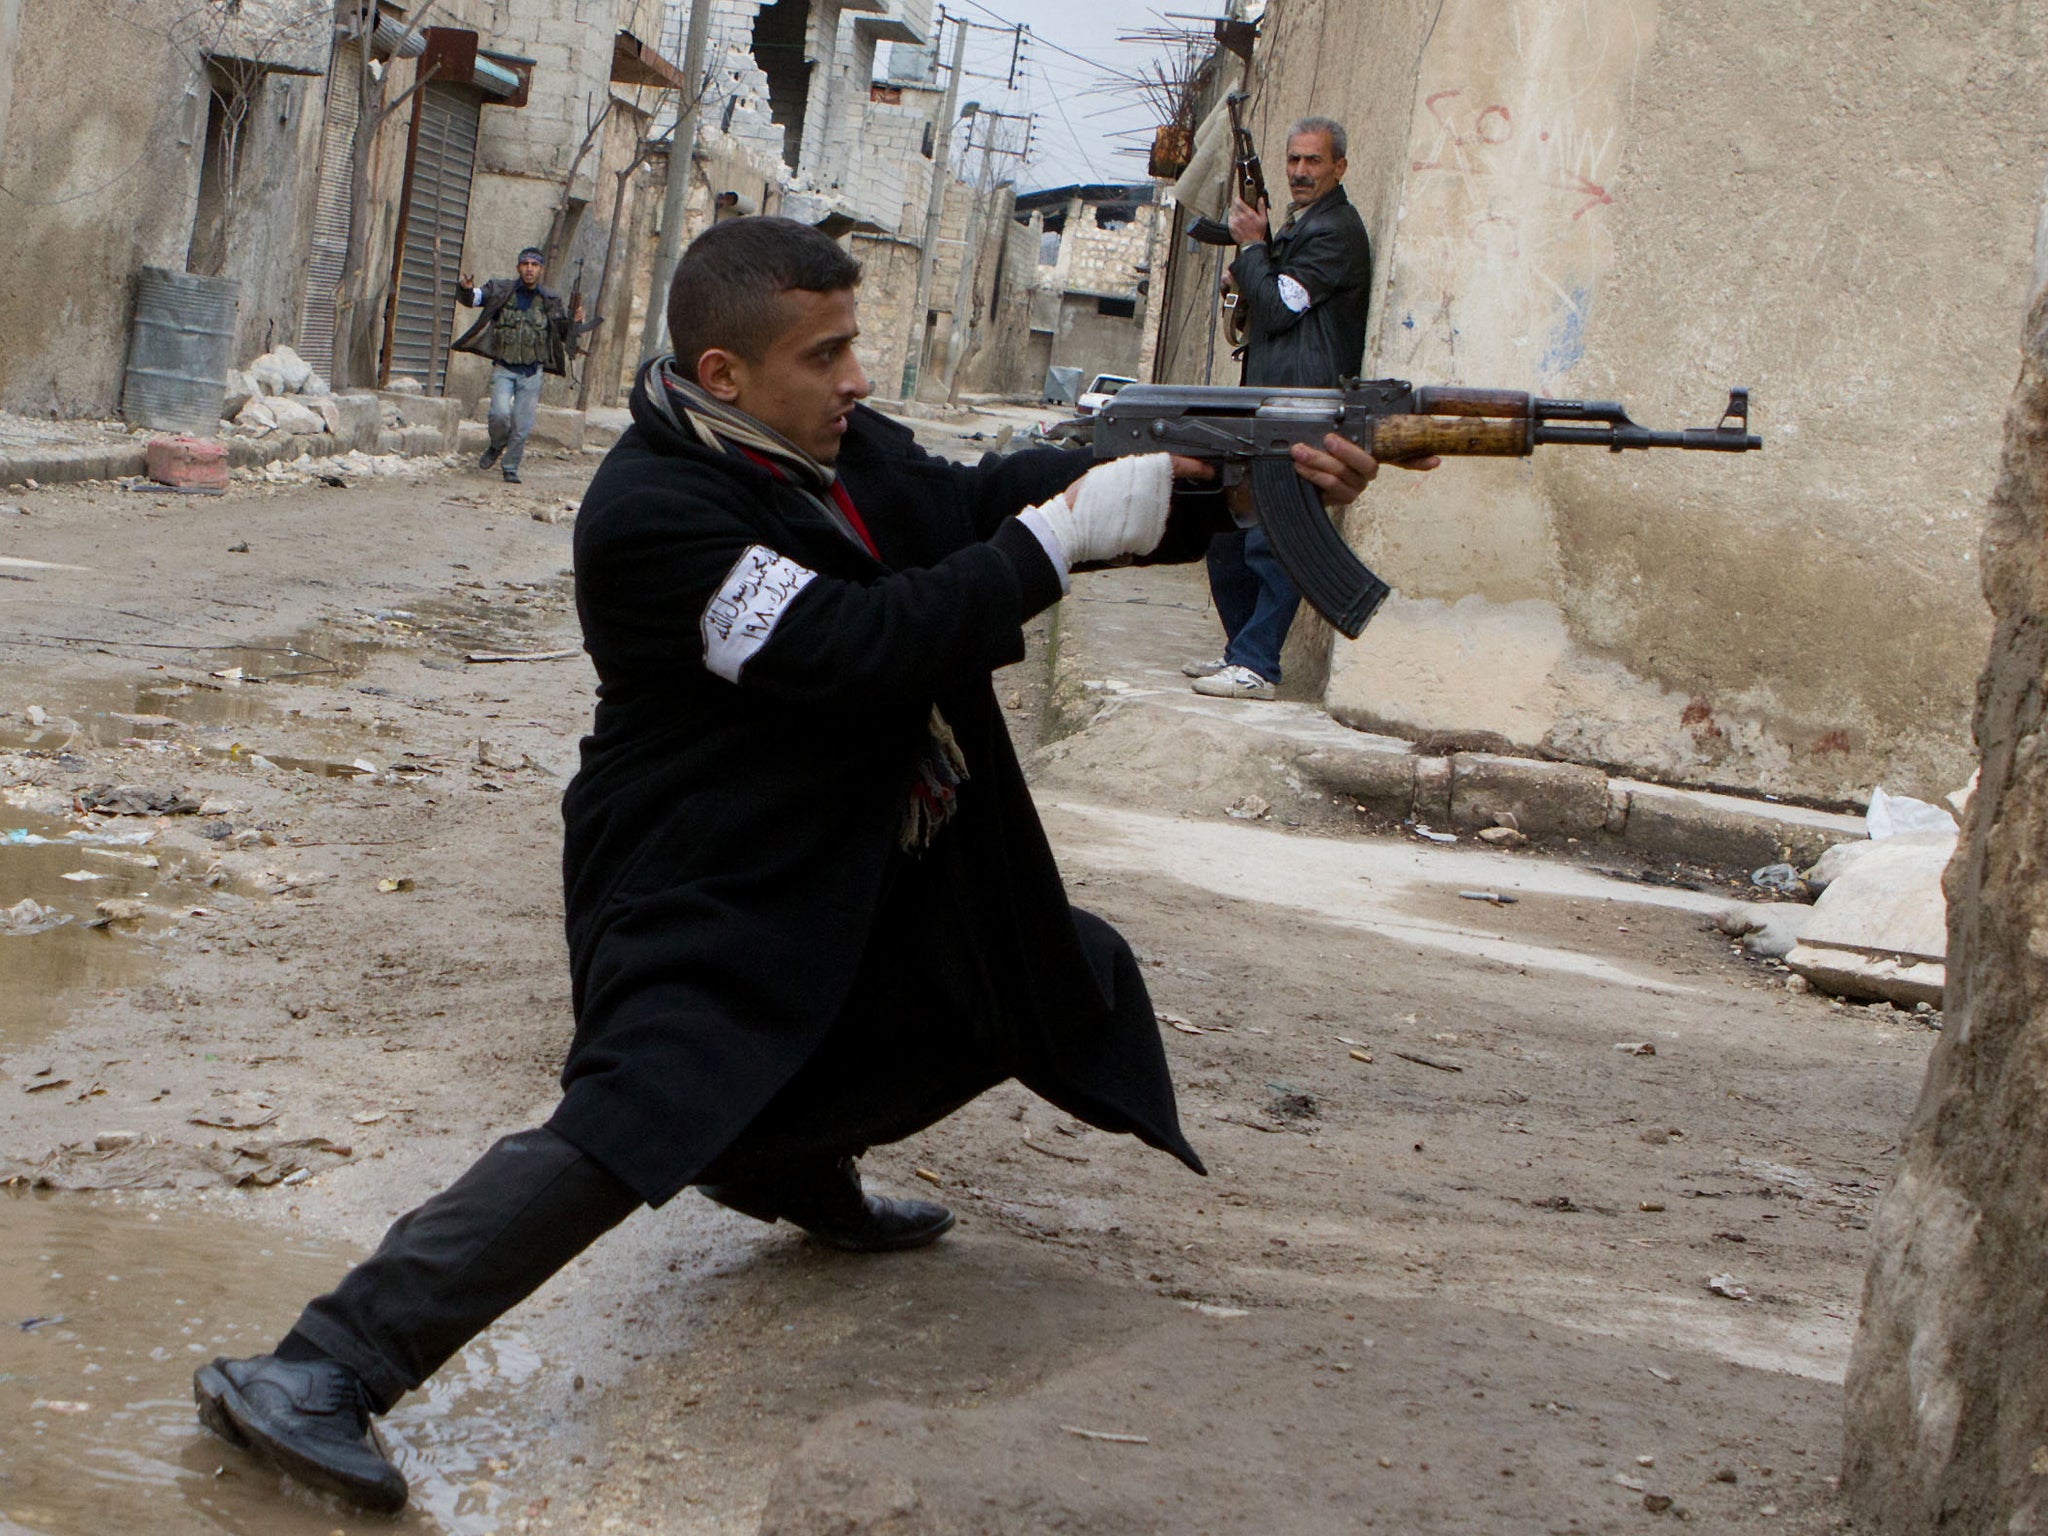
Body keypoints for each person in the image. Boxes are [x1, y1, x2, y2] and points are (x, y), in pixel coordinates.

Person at [189, 216, 1387, 1514]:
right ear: (724, 374)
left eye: (852, 345)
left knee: (1037, 974)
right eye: (826, 356)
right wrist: (1058, 543)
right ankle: (323, 1366)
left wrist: (1222, 487)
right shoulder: (651, 513)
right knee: (644, 1103)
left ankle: (775, 1158)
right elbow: (852, 649)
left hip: (846, 845)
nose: (856, 381)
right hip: (704, 867)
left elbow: (973, 505)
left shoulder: (833, 450)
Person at [1186, 115, 1375, 702]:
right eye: (1293, 160)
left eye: (1313, 161)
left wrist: (1252, 250)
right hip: (1269, 401)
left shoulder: (1335, 231)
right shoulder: (1304, 226)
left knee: (1276, 539)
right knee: (1225, 530)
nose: (1299, 171)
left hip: (1305, 402)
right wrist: (1251, 262)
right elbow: (1263, 298)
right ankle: (1241, 649)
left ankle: (1258, 664)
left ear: (1339, 167)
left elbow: (1280, 309)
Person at [451, 246, 584, 484]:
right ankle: (497, 444)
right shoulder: (500, 290)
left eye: (534, 265)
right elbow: (474, 298)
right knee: (499, 415)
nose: (529, 269)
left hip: (532, 372)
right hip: (504, 367)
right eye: (525, 264)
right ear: (518, 268)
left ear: (541, 270)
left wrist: (575, 322)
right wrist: (466, 289)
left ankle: (510, 466)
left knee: (522, 426)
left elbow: (563, 333)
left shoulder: (551, 300)